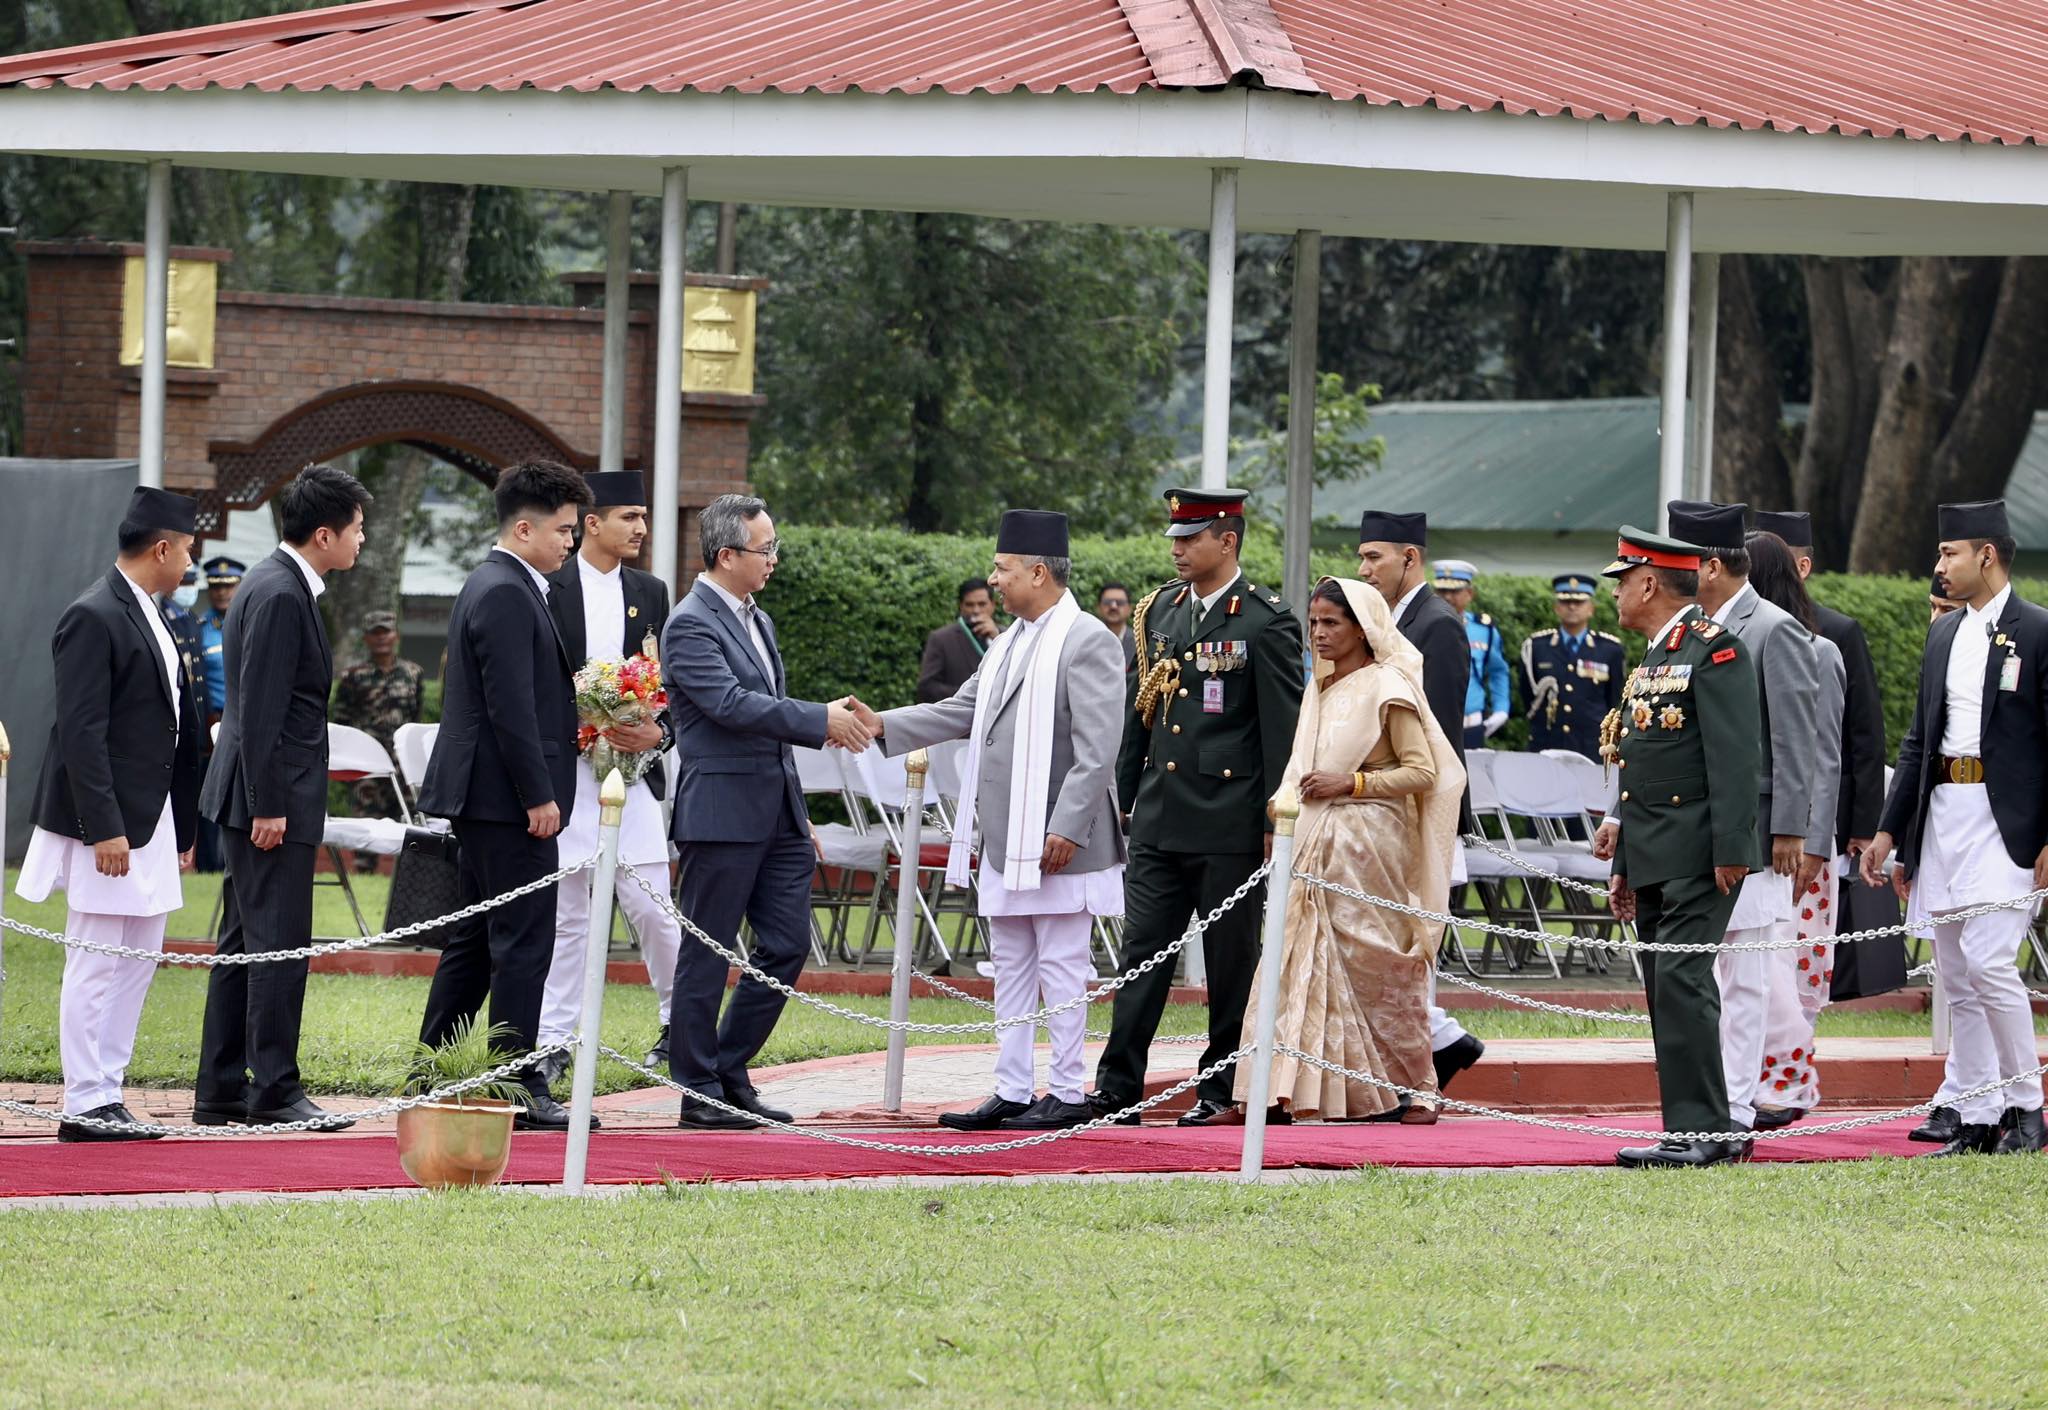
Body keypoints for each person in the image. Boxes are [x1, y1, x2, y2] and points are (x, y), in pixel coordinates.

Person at [854, 510, 1125, 1131]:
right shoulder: (1009, 642)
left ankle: (1067, 1091)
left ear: (1037, 571)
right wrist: (881, 725)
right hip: (1006, 836)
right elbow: (961, 709)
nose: (993, 581)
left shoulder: (1088, 639)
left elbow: (1096, 748)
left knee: (1061, 964)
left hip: (1061, 838)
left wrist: (1067, 825)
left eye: (1002, 570)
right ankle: (1011, 1088)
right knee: (1011, 964)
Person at [1088, 487, 1303, 1127]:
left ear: (1227, 541)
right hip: (1159, 814)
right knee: (1142, 957)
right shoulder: (1159, 612)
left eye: (1190, 538)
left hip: (1227, 820)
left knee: (1229, 962)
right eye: (1175, 539)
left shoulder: (1265, 621)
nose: (1178, 549)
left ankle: (1220, 1087)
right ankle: (1117, 1086)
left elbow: (1281, 733)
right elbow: (1142, 715)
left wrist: (1275, 821)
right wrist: (1125, 800)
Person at [664, 493, 874, 1130]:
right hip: (722, 815)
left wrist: (799, 803)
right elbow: (729, 706)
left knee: (785, 947)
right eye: (765, 548)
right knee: (708, 952)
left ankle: (728, 1070)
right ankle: (698, 1090)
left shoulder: (758, 617)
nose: (774, 559)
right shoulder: (690, 623)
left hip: (778, 816)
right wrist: (821, 720)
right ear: (726, 555)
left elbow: (766, 714)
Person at [1233, 576, 1464, 1121]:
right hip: (1313, 842)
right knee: (1301, 962)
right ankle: (1320, 1093)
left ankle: (1416, 1088)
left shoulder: (1390, 686)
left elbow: (1422, 772)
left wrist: (1352, 784)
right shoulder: (1322, 688)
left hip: (1369, 846)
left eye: (1331, 623)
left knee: (1377, 965)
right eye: (1314, 623)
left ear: (1363, 629)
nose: (1318, 633)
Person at [16, 486, 203, 1141]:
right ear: (160, 547)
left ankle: (108, 1091)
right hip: (111, 823)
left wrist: (180, 825)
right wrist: (106, 829)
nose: (190, 563)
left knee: (139, 957)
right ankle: (84, 1100)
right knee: (97, 957)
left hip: (151, 820)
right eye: (186, 551)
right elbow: (81, 732)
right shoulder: (94, 614)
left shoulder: (152, 610)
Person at [1864, 499, 2048, 1156]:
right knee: (1956, 972)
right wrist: (1889, 831)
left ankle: (2028, 1108)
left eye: (1949, 553)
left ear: (1986, 556)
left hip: (2009, 822)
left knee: (1992, 961)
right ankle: (1977, 1111)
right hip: (1944, 814)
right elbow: (1919, 739)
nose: (1939, 566)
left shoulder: (2037, 631)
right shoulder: (1944, 634)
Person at [193, 465, 371, 1131]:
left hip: (265, 795)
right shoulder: (278, 593)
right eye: (356, 529)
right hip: (270, 802)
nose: (362, 540)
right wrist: (270, 803)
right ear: (323, 534)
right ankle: (274, 1090)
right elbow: (262, 711)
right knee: (277, 945)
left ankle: (220, 1089)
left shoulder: (279, 585)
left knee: (245, 942)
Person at [416, 460, 592, 1132]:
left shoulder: (509, 586)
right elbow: (510, 708)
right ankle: (515, 1083)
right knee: (523, 941)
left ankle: (429, 1068)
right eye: (564, 530)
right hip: (504, 801)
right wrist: (537, 795)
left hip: (489, 798)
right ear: (525, 527)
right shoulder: (504, 591)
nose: (571, 541)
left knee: (475, 938)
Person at [1638, 500, 1820, 1143]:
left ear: (1709, 565)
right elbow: (1658, 737)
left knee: (1745, 976)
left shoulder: (1772, 627)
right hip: (1696, 831)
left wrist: (1797, 832)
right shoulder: (1684, 633)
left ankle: (1737, 1109)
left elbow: (1800, 742)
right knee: (1701, 973)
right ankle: (1711, 1105)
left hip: (1757, 832)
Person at [1595, 525, 1762, 1168]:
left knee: (1684, 981)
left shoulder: (1714, 651)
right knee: (1666, 985)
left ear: (1647, 582)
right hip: (1656, 851)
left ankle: (1704, 1130)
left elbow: (1734, 760)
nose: (1615, 596)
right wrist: (1626, 863)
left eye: (1620, 582)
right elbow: (1641, 775)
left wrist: (1731, 851)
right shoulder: (1657, 656)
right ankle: (1691, 1127)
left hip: (1698, 854)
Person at [535, 470, 684, 1080]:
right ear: (591, 523)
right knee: (567, 912)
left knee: (651, 903)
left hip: (633, 770)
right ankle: (553, 1042)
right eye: (629, 517)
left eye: (644, 517)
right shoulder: (548, 587)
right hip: (567, 775)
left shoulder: (650, 591)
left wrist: (658, 732)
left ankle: (682, 1024)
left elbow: (668, 684)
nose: (641, 529)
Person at [1355, 509, 1484, 1089]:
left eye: (1374, 556)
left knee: (1415, 940)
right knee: (1386, 938)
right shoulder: (1382, 621)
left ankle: (1428, 1052)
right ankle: (1435, 1042)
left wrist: (1426, 808)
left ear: (1411, 558)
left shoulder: (1437, 624)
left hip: (1419, 806)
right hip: (1382, 804)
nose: (1364, 568)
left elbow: (1440, 735)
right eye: (1361, 557)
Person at [1742, 530, 1845, 1130]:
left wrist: (1813, 841)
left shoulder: (1816, 650)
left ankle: (1791, 1080)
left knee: (1781, 965)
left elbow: (1822, 755)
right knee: (1754, 963)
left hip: (1797, 838)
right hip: (1752, 832)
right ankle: (1755, 1080)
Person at [330, 609, 425, 872]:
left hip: (402, 764)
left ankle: (411, 876)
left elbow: (414, 719)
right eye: (375, 633)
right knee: (366, 820)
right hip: (367, 764)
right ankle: (364, 873)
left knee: (412, 819)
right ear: (366, 638)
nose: (381, 638)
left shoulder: (413, 673)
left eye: (386, 632)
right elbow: (342, 721)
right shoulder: (353, 677)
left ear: (396, 635)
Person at [1519, 573, 1627, 760]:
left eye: (1579, 602)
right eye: (1565, 601)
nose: (1572, 606)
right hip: (1546, 743)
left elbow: (1613, 700)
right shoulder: (1536, 647)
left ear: (1591, 608)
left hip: (1590, 745)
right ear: (1556, 607)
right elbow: (1528, 696)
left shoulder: (1610, 650)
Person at [1433, 559, 1509, 750]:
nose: (1448, 597)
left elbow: (1498, 670)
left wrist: (1501, 709)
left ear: (1469, 594)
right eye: (1442, 591)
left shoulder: (1483, 629)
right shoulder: (1423, 625)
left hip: (1471, 726)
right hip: (1431, 725)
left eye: (1455, 591)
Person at [917, 578, 999, 703]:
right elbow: (927, 687)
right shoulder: (941, 639)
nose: (976, 610)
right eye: (969, 605)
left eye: (982, 604)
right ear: (960, 606)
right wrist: (972, 695)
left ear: (993, 605)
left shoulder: (1007, 635)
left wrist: (996, 638)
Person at [193, 555, 242, 726]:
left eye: (228, 586)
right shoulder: (198, 629)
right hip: (215, 720)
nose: (221, 592)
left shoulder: (255, 623)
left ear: (240, 586)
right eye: (215, 586)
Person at [1096, 581, 1137, 672]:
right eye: (1107, 602)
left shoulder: (1139, 643)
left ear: (1130, 609)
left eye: (1120, 602)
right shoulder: (1090, 641)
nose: (1113, 606)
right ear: (1098, 607)